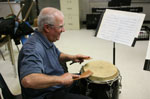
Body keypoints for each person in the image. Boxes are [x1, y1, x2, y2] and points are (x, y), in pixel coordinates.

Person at [18, 7, 92, 99]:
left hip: (55, 86)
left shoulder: (44, 39)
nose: (63, 30)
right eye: (60, 26)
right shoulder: (33, 48)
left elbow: (57, 55)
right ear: (47, 28)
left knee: (88, 82)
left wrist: (72, 57)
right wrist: (61, 79)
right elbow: (28, 80)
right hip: (45, 94)